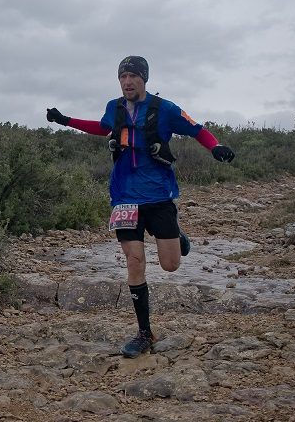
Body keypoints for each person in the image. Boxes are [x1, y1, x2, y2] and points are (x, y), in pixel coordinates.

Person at [46, 55, 235, 358]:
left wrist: (215, 147)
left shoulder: (165, 109)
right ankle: (144, 332)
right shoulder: (115, 107)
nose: (127, 82)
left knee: (170, 265)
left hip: (158, 194)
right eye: (122, 77)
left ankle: (177, 235)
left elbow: (196, 128)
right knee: (134, 261)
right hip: (124, 196)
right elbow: (100, 127)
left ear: (144, 79)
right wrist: (65, 120)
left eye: (133, 76)